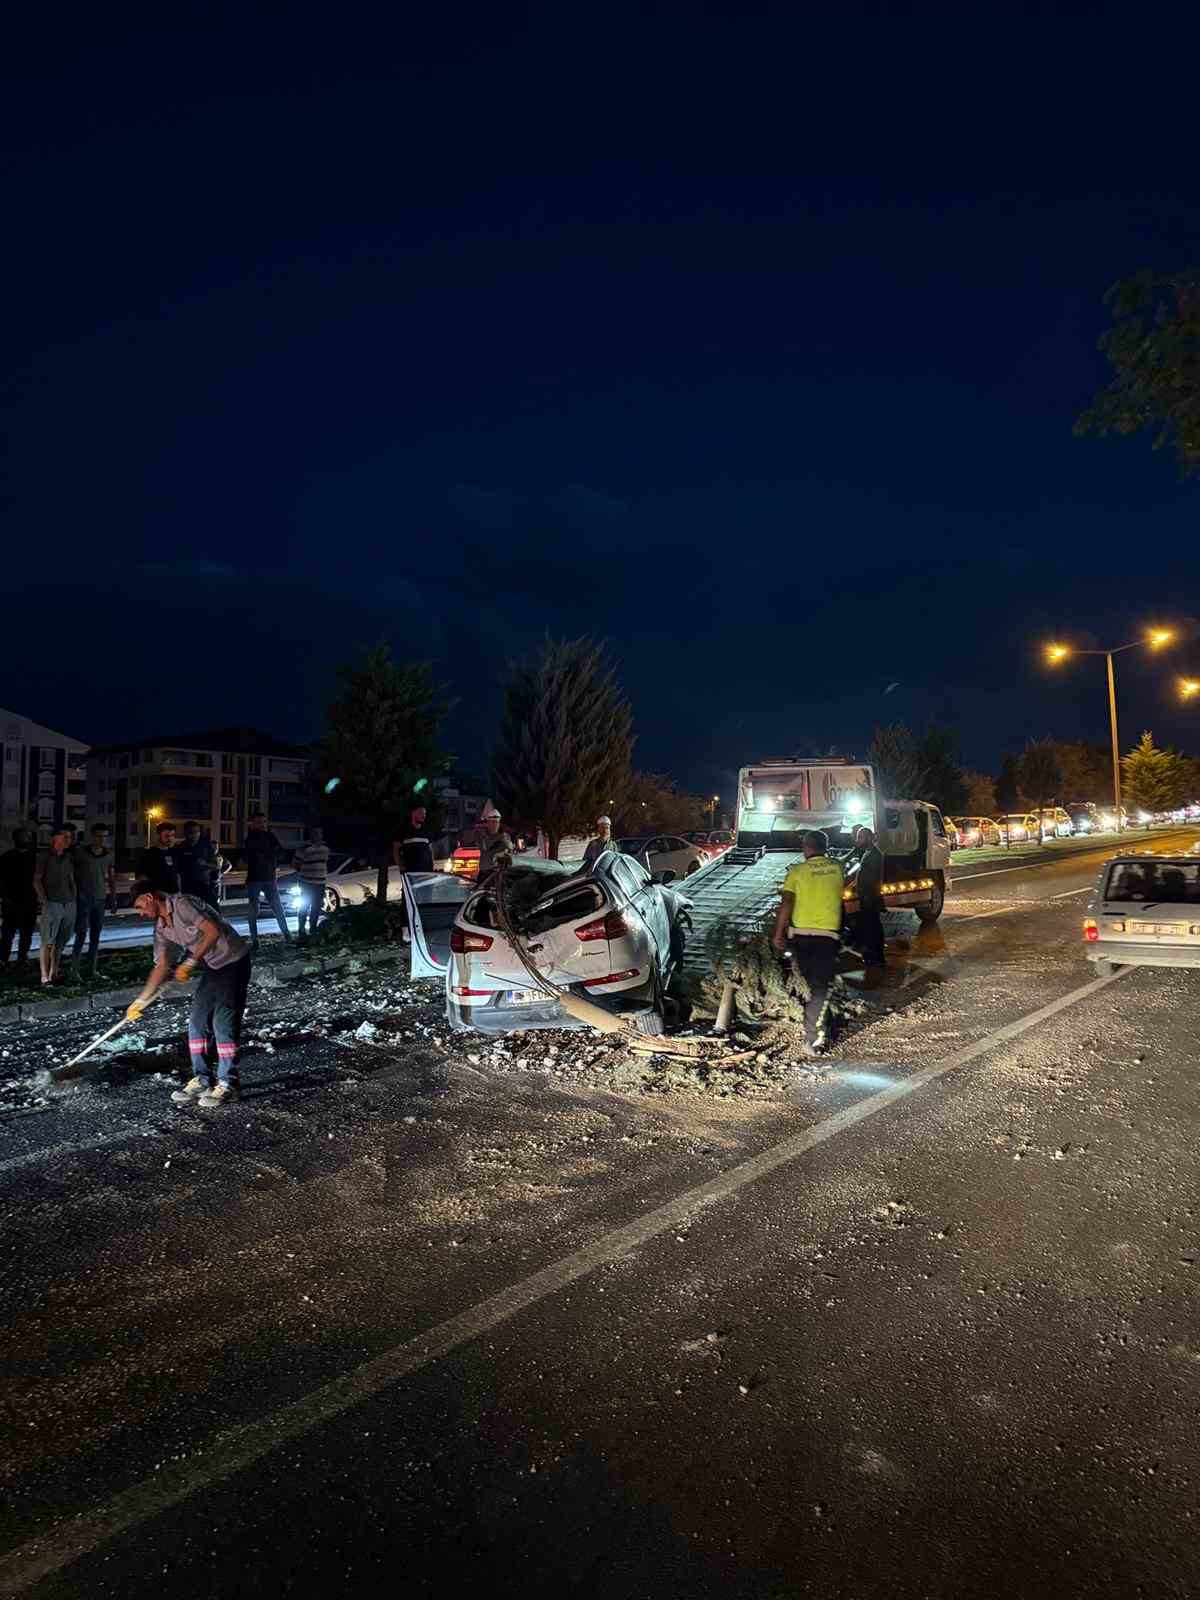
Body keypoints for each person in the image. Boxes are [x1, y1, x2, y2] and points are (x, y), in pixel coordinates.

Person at [125, 881, 251, 1108]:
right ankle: (203, 1080)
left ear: (149, 896)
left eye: (139, 906)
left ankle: (228, 1084)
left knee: (222, 1023)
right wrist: (140, 1001)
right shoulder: (162, 928)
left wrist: (191, 962)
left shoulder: (182, 904)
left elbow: (213, 931)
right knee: (197, 1022)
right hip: (213, 967)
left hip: (234, 961)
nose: (141, 913)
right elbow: (162, 965)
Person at [771, 828, 845, 1053]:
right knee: (819, 985)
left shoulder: (796, 872)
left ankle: (813, 1030)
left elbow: (786, 904)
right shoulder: (838, 869)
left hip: (801, 936)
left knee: (813, 983)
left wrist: (778, 933)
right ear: (825, 847)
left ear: (806, 848)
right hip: (827, 935)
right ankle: (813, 1032)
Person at [239, 810, 292, 950]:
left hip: (269, 877)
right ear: (252, 823)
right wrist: (269, 854)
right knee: (254, 908)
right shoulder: (250, 839)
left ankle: (286, 934)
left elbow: (281, 852)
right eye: (258, 822)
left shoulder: (270, 836)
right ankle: (255, 939)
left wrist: (268, 855)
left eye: (263, 822)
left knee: (277, 907)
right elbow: (247, 857)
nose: (261, 824)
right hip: (255, 878)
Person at [34, 825, 77, 986]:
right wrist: (44, 900)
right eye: (65, 837)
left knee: (61, 941)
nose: (68, 840)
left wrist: (74, 897)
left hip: (69, 902)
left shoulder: (68, 857)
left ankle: (54, 973)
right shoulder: (45, 856)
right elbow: (36, 879)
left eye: (70, 837)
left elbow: (71, 878)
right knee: (47, 940)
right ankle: (44, 977)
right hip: (52, 902)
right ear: (55, 839)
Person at [71, 822, 115, 980]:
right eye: (98, 836)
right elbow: (72, 874)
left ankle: (92, 970)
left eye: (104, 836)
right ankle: (74, 971)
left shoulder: (108, 854)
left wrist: (113, 898)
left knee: (96, 936)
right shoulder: (81, 852)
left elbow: (110, 876)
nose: (101, 839)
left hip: (100, 898)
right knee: (81, 934)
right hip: (83, 898)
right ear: (92, 836)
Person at [392, 804, 436, 944]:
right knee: (408, 899)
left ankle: (422, 928)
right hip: (410, 872)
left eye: (425, 813)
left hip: (426, 872)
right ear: (413, 813)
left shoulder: (426, 831)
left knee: (424, 899)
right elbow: (395, 850)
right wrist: (401, 866)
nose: (424, 815)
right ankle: (406, 929)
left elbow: (430, 850)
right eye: (421, 813)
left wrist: (432, 867)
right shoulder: (403, 829)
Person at [0, 828, 39, 977]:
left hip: (27, 901)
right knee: (10, 933)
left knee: (24, 933)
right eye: (25, 837)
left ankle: (20, 960)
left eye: (27, 836)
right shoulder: (9, 857)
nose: (27, 839)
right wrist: (4, 897)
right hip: (14, 902)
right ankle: (5, 960)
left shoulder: (30, 857)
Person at [852, 824, 886, 971]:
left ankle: (876, 957)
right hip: (868, 896)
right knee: (871, 926)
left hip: (870, 898)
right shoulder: (869, 852)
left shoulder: (874, 855)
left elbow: (872, 878)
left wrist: (866, 895)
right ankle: (873, 955)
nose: (857, 840)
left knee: (873, 927)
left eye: (860, 837)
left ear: (868, 838)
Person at [292, 825, 330, 940]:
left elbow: (326, 862)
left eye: (319, 833)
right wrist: (305, 871)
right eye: (315, 833)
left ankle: (313, 929)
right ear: (311, 835)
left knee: (316, 907)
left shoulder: (326, 847)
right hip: (307, 882)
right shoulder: (304, 848)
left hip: (320, 883)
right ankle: (301, 930)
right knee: (304, 906)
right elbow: (295, 864)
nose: (318, 836)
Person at [470, 802, 514, 886]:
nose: (495, 825)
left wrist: (505, 840)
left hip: (500, 874)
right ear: (487, 823)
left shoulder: (505, 836)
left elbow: (511, 849)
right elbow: (485, 847)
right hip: (485, 873)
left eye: (497, 822)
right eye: (492, 822)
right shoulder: (481, 836)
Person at [177, 822, 220, 909]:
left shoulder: (206, 846)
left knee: (214, 912)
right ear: (185, 833)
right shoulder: (180, 848)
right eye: (190, 832)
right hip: (187, 887)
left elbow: (216, 866)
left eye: (197, 832)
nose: (194, 835)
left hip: (204, 885)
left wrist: (205, 863)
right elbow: (176, 871)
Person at [139, 821, 181, 894]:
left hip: (174, 897)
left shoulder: (174, 852)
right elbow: (141, 877)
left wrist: (179, 892)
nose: (170, 838)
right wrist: (156, 891)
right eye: (167, 836)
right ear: (158, 835)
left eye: (172, 835)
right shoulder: (149, 854)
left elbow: (176, 874)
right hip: (157, 897)